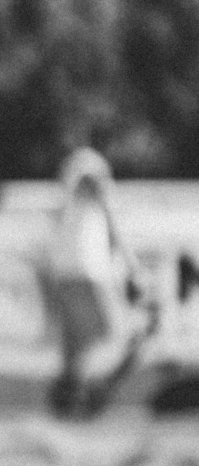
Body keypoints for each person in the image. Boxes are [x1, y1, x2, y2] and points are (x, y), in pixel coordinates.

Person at [43, 147, 149, 417]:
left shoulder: (71, 209)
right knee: (110, 335)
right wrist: (133, 269)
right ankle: (79, 391)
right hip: (86, 275)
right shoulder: (85, 206)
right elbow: (116, 238)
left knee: (81, 343)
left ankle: (71, 396)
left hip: (69, 275)